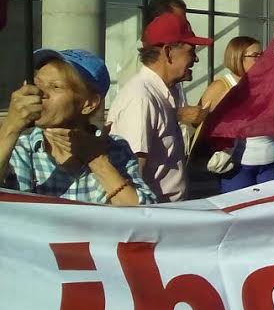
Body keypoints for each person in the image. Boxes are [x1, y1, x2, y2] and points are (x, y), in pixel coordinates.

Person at [1, 49, 157, 205]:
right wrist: (11, 127)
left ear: (89, 104)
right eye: (37, 84)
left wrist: (97, 160)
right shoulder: (20, 149)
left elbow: (144, 215)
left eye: (55, 87)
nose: (40, 93)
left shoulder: (115, 149)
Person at [109, 13, 211, 202]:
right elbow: (131, 173)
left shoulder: (163, 92)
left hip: (166, 214)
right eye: (191, 51)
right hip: (153, 217)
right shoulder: (141, 98)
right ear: (168, 52)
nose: (196, 59)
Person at [198, 36, 274, 192]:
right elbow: (202, 124)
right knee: (238, 212)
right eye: (255, 56)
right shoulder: (221, 86)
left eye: (262, 54)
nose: (261, 59)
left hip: (270, 160)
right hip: (238, 164)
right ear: (237, 57)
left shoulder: (269, 84)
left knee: (269, 211)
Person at [116, 0, 207, 133]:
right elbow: (138, 109)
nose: (185, 23)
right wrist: (180, 114)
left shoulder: (172, 68)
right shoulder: (140, 62)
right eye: (179, 19)